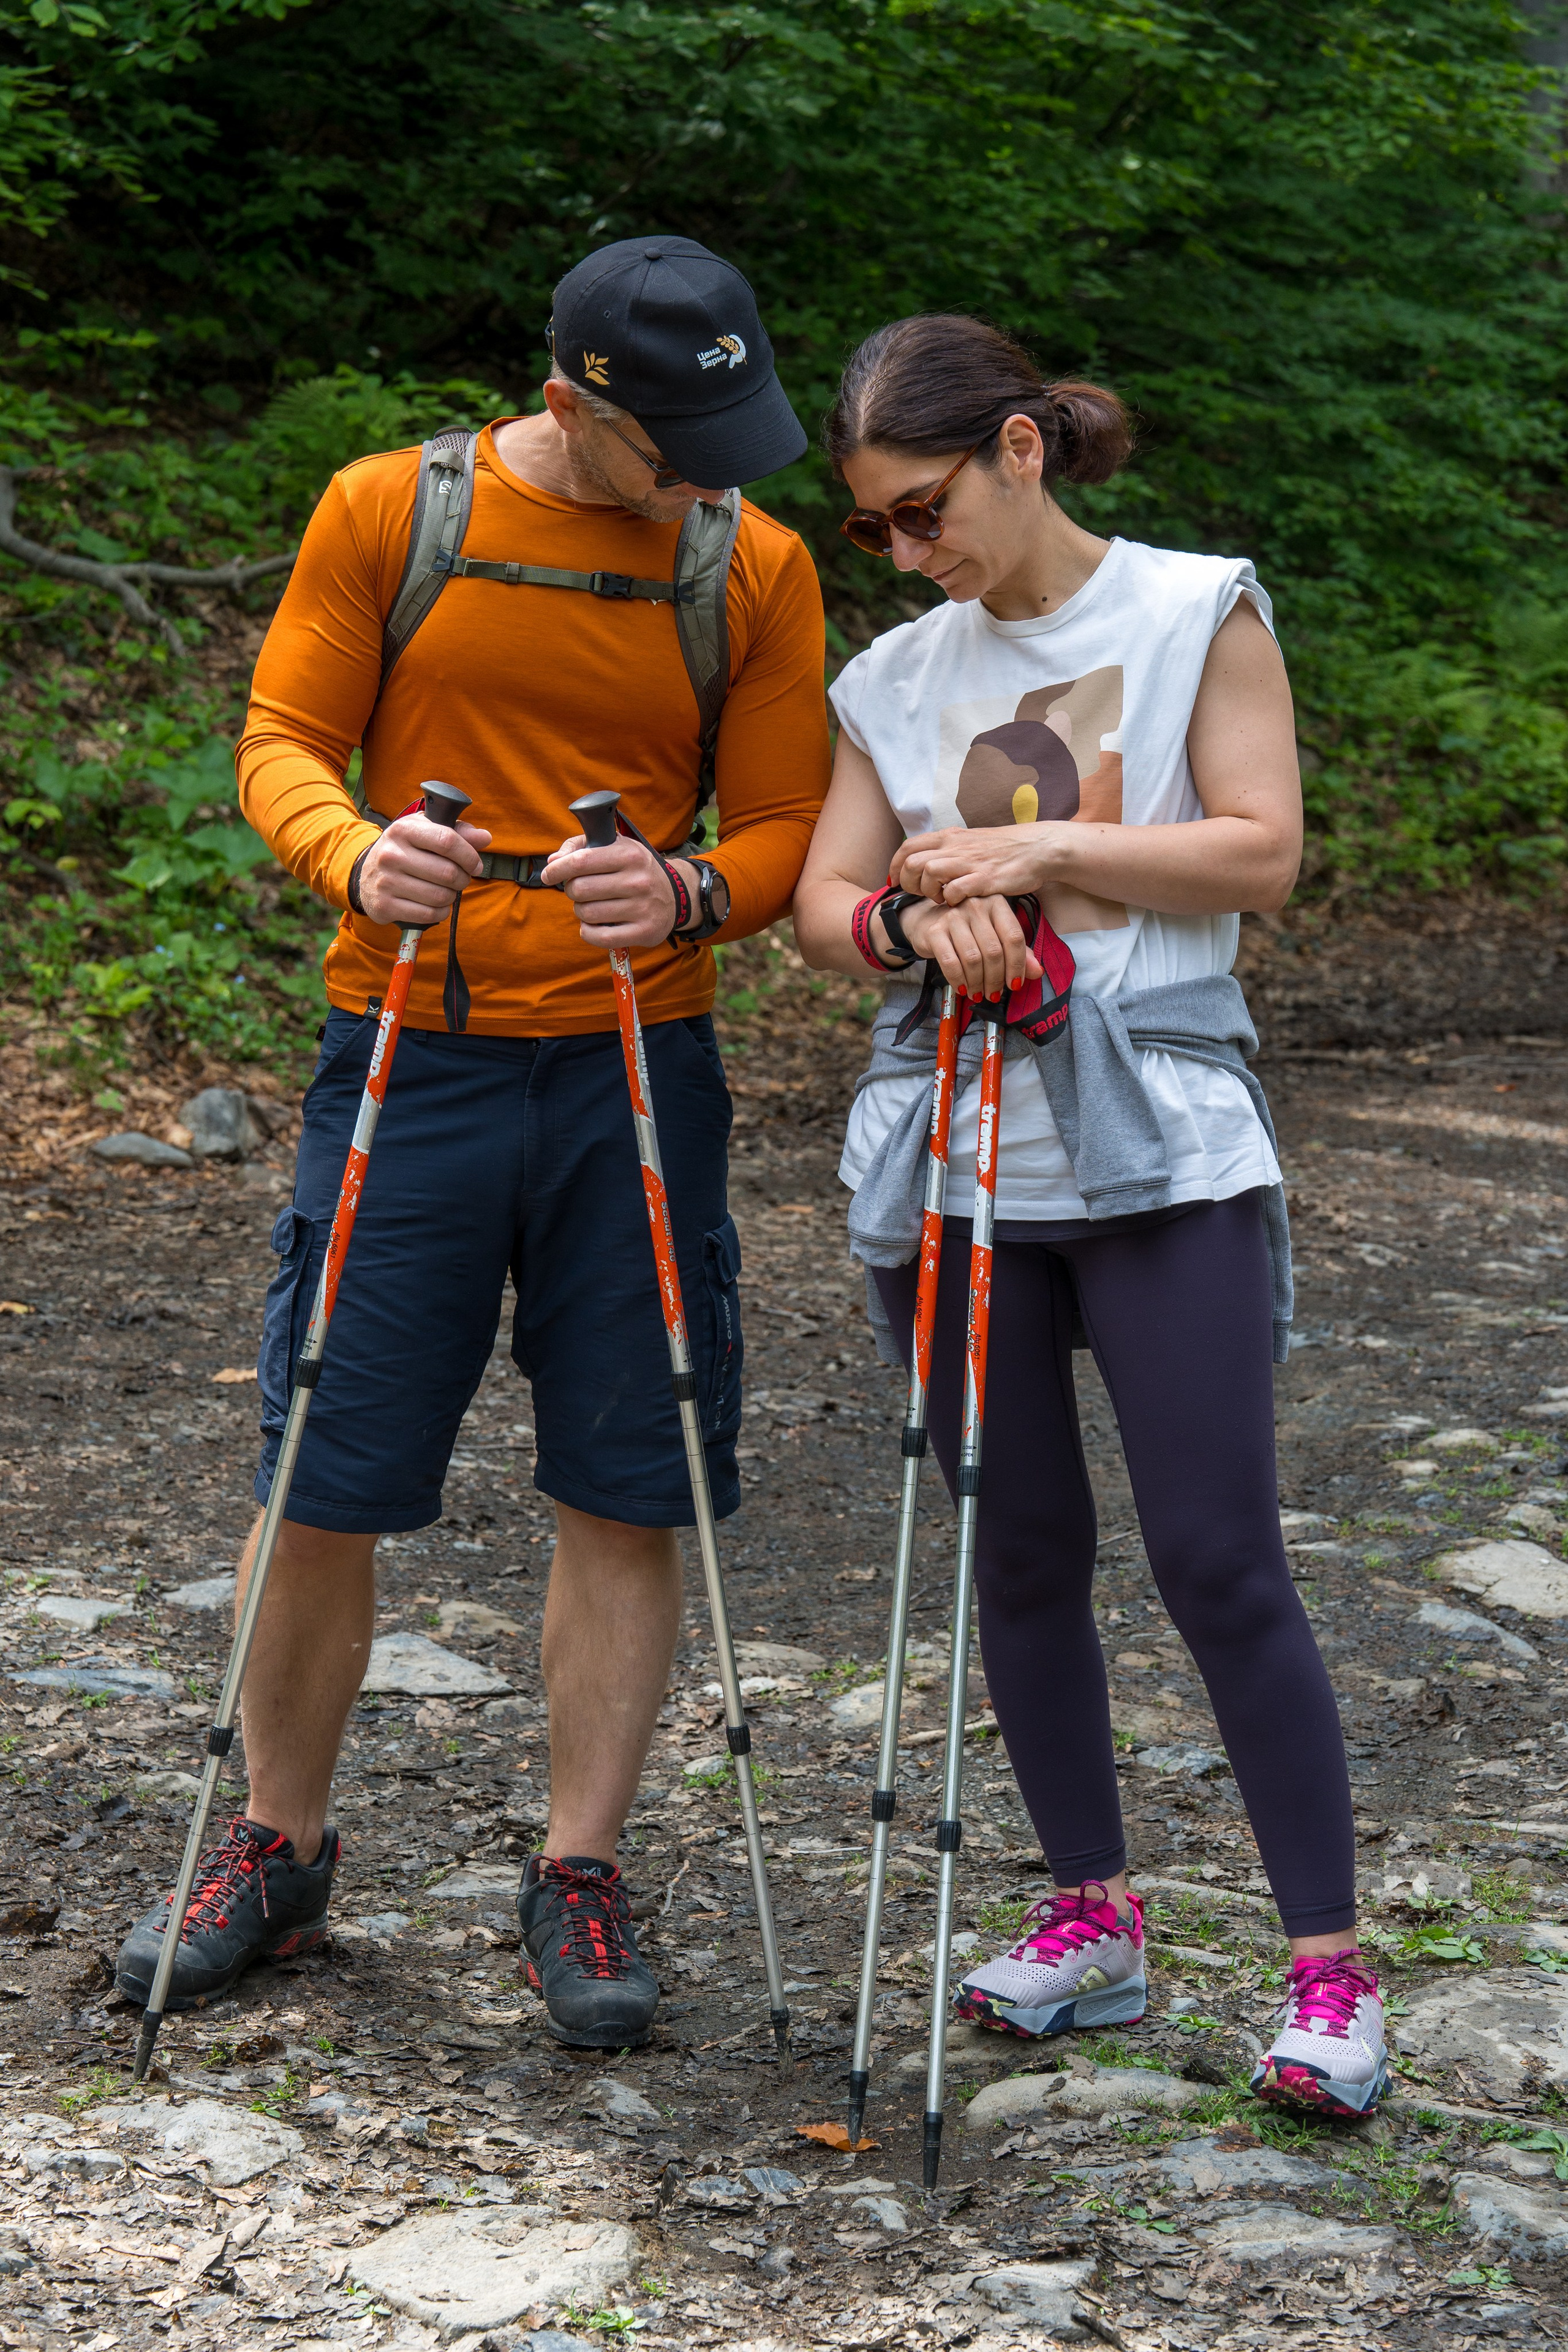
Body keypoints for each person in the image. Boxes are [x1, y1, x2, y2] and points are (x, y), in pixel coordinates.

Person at [115, 236, 831, 2051]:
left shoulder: (750, 561)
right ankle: (273, 1849)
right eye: (671, 437)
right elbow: (282, 738)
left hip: (635, 1066)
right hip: (408, 1055)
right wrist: (358, 856)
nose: (704, 472)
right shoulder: (388, 511)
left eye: (726, 435)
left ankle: (577, 1866)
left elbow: (786, 829)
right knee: (326, 1464)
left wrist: (681, 889)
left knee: (626, 1474)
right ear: (572, 395)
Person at [793, 313, 1385, 2119]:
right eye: (877, 531)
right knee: (1024, 1555)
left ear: (1020, 451)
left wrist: (1034, 857)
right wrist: (916, 923)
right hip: (966, 1167)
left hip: (1164, 1153)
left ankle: (1332, 1972)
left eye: (921, 512)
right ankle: (1089, 1919)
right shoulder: (894, 678)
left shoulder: (1195, 605)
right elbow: (826, 899)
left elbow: (1259, 850)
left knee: (1218, 1559)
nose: (905, 555)